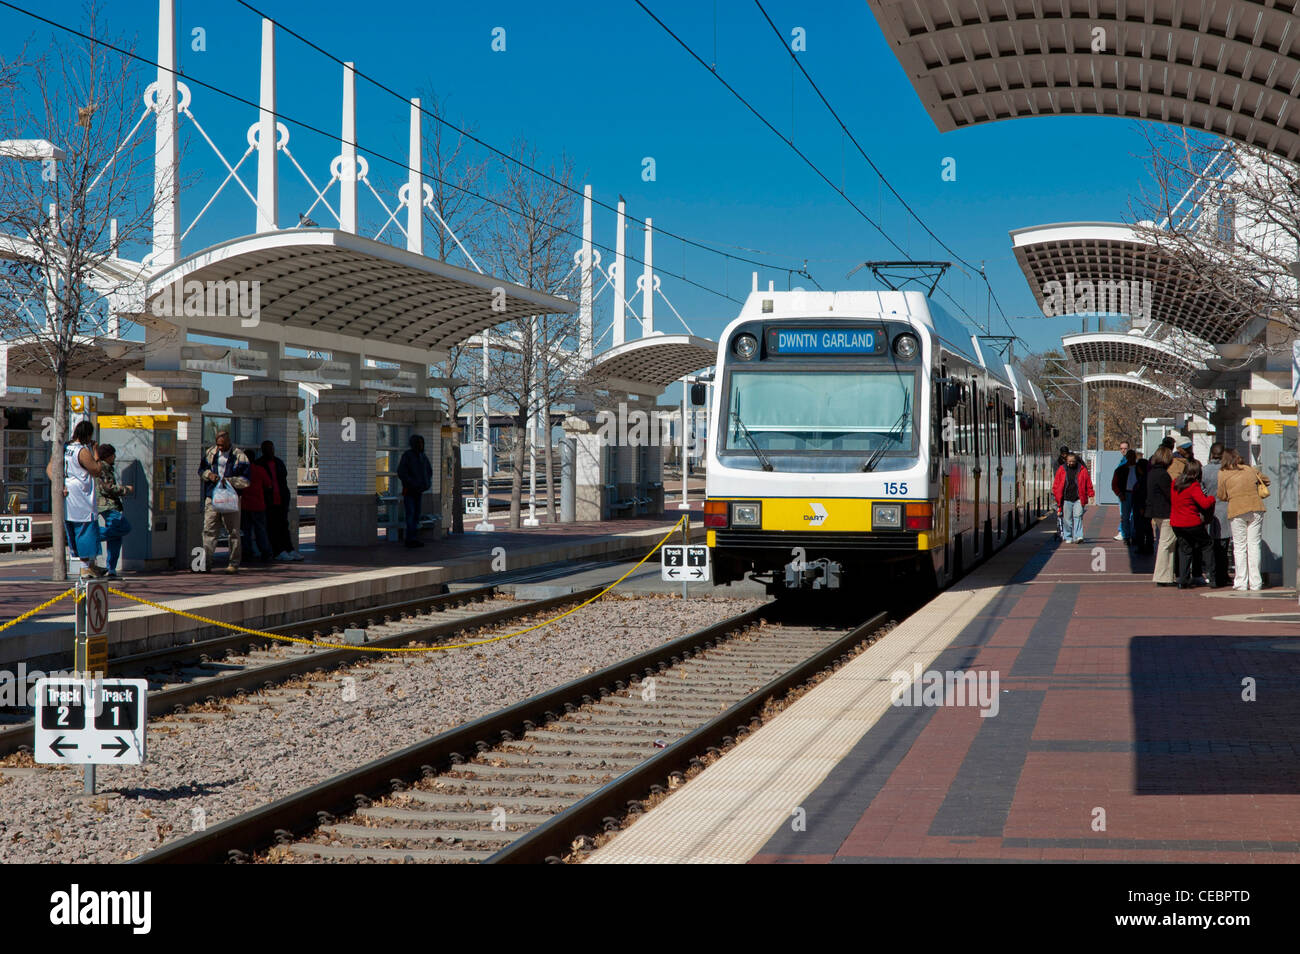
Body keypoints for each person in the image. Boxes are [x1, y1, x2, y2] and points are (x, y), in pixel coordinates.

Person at [46, 420, 105, 578]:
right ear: (88, 435)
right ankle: (86, 567)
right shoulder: (82, 451)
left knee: (73, 529)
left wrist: (59, 484)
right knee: (85, 530)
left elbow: (50, 468)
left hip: (66, 494)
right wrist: (95, 451)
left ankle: (90, 565)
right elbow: (96, 470)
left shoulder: (63, 447)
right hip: (81, 495)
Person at [1217, 448, 1270, 591]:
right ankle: (1256, 582)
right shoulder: (1249, 469)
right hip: (1256, 507)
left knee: (1240, 546)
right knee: (1254, 545)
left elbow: (1221, 495)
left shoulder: (1223, 473)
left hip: (1237, 509)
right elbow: (1266, 480)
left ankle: (1241, 582)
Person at [198, 430, 250, 573]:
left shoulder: (240, 456)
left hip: (230, 498)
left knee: (233, 532)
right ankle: (205, 563)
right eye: (218, 445)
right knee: (209, 530)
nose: (220, 448)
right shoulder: (211, 453)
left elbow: (246, 480)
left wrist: (229, 481)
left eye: (222, 445)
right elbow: (201, 470)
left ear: (228, 442)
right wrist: (209, 475)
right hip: (212, 497)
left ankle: (233, 563)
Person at [1170, 459, 1218, 589]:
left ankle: (1182, 579)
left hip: (1176, 522)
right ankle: (1213, 578)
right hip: (1191, 522)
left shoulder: (1175, 483)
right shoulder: (1193, 486)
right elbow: (1204, 503)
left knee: (1185, 549)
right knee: (1207, 545)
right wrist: (1212, 498)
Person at [257, 441, 302, 562]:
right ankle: (278, 551)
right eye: (268, 449)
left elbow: (283, 478)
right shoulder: (260, 464)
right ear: (263, 450)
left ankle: (289, 549)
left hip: (281, 500)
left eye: (272, 449)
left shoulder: (279, 463)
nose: (271, 451)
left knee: (283, 525)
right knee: (272, 527)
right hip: (269, 502)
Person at [95, 444, 133, 579]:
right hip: (107, 505)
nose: (115, 457)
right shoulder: (103, 467)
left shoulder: (105, 467)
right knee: (124, 527)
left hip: (111, 505)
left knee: (116, 538)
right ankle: (93, 535)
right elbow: (107, 487)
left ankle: (111, 570)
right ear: (108, 456)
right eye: (113, 454)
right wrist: (125, 489)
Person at [1199, 443, 1230, 588]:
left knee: (1210, 546)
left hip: (1209, 511)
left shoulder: (1204, 471)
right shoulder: (1227, 471)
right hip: (1225, 510)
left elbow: (1201, 490)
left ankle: (1213, 575)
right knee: (1223, 547)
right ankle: (1223, 575)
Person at [397, 434, 433, 548]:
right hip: (410, 490)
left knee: (416, 515)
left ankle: (414, 537)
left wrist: (426, 483)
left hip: (419, 490)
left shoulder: (423, 456)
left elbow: (428, 471)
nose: (421, 445)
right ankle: (410, 538)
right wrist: (411, 483)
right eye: (419, 443)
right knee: (411, 514)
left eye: (422, 443)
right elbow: (401, 472)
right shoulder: (408, 456)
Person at [1148, 446, 1176, 586]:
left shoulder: (1152, 473)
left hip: (1156, 512)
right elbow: (1169, 494)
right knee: (1165, 544)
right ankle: (1161, 575)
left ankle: (1167, 575)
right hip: (1166, 513)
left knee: (1168, 544)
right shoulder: (1163, 475)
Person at [1053, 451, 1095, 544]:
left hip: (1078, 498)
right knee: (1067, 519)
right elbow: (1056, 484)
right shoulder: (1061, 469)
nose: (1071, 463)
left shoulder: (1082, 469)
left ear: (1076, 460)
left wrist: (1091, 494)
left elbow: (1088, 482)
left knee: (1078, 516)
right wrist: (1057, 496)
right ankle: (1068, 536)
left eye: (1073, 461)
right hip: (1066, 498)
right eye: (1069, 461)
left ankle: (1078, 536)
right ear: (1066, 461)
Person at [240, 447, 273, 563]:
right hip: (259, 504)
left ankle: (247, 552)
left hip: (244, 505)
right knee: (261, 530)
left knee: (245, 530)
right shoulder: (260, 470)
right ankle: (265, 552)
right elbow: (269, 485)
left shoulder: (241, 471)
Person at [1111, 447, 1137, 542]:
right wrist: (1119, 494)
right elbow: (1114, 484)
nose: (1131, 458)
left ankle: (1134, 536)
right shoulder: (1120, 469)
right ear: (1127, 457)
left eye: (1133, 456)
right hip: (1125, 494)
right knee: (1125, 517)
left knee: (1135, 517)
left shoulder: (1139, 468)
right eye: (1129, 456)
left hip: (1136, 495)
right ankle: (1126, 536)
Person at [1131, 457, 1154, 554]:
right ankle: (1146, 546)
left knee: (1142, 528)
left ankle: (1144, 547)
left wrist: (1141, 507)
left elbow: (1142, 494)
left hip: (1142, 507)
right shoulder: (1144, 478)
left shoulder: (1144, 480)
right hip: (1142, 506)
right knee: (1146, 527)